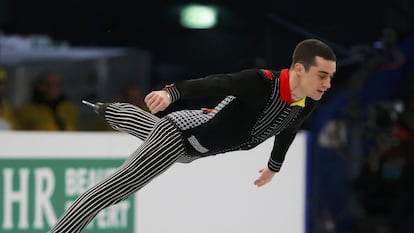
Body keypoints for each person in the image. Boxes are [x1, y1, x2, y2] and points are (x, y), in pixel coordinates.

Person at [48, 38, 336, 233]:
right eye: (322, 75)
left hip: (192, 146)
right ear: (299, 69)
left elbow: (288, 129)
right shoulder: (261, 83)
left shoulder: (307, 102)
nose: (328, 83)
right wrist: (170, 93)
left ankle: (109, 110)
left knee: (159, 135)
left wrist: (273, 168)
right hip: (178, 136)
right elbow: (215, 83)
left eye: (331, 76)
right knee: (110, 192)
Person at [15, 71, 80, 131]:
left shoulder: (70, 108)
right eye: (49, 84)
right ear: (39, 86)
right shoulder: (26, 110)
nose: (54, 87)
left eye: (58, 84)